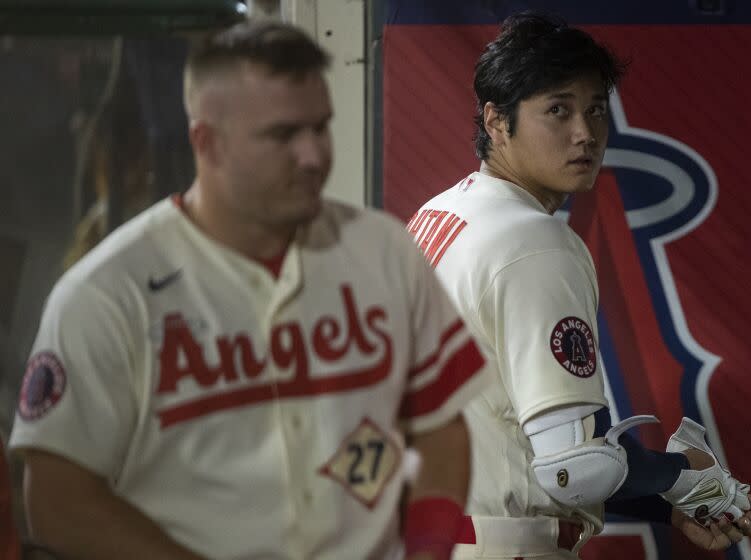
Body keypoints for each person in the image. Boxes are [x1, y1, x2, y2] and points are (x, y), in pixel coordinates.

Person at [9, 20, 489, 560]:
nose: (313, 155)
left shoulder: (385, 251)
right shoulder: (106, 293)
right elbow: (55, 497)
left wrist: (427, 549)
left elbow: (440, 430)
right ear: (205, 142)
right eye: (283, 135)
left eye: (320, 127)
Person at [407, 12, 751, 559]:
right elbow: (571, 471)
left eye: (595, 109)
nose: (585, 132)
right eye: (558, 110)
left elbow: (526, 450)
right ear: (497, 122)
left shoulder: (440, 214)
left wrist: (662, 503)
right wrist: (688, 477)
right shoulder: (531, 240)